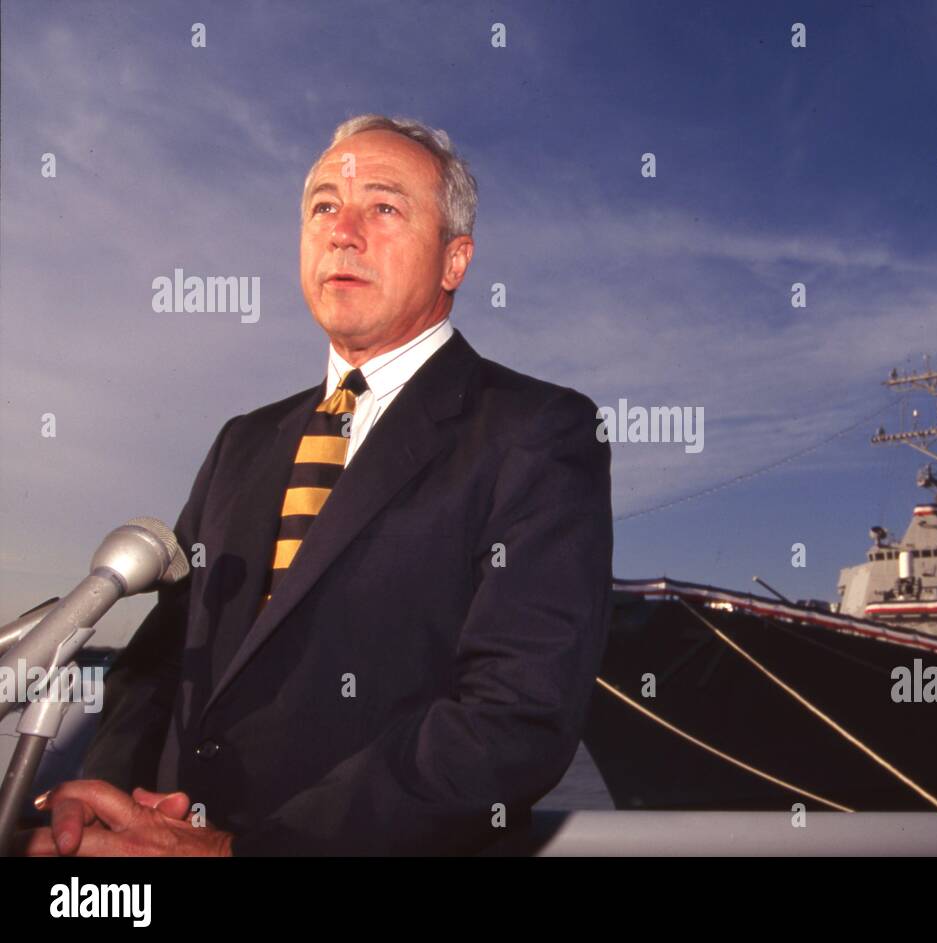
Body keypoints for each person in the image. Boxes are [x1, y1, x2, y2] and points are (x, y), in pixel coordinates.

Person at [22, 115, 613, 856]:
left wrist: (246, 850)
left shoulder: (541, 431)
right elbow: (158, 663)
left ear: (454, 260)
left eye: (385, 208)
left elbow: (514, 715)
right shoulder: (243, 441)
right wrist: (103, 804)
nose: (344, 231)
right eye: (324, 206)